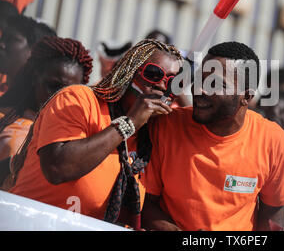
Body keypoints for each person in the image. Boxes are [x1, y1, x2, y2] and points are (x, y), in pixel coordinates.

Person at [5, 39, 183, 229]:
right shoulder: (77, 99)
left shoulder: (149, 137)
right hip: (27, 223)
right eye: (154, 74)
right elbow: (58, 168)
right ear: (129, 71)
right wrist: (129, 123)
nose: (163, 86)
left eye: (173, 82)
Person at [141, 41, 284, 231]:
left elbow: (273, 219)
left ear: (246, 97)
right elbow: (145, 204)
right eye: (199, 79)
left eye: (215, 84)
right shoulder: (166, 125)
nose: (200, 89)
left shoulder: (273, 140)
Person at [0, 36, 93, 165]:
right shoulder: (5, 120)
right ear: (35, 77)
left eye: (70, 93)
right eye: (53, 86)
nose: (59, 98)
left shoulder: (81, 140)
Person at [0, 14, 56, 96]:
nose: (1, 44)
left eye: (11, 39)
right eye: (2, 38)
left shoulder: (39, 104)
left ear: (35, 51)